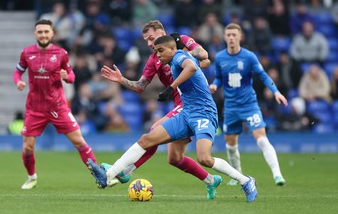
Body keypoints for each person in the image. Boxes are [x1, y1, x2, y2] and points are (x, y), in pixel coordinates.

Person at [89, 35, 258, 202]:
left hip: (203, 113)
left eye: (161, 50)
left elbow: (191, 67)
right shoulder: (171, 61)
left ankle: (246, 181)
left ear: (172, 48)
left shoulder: (179, 56)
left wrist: (170, 88)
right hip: (186, 113)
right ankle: (109, 175)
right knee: (147, 139)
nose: (158, 54)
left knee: (205, 158)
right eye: (156, 51)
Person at [100, 20, 212, 189]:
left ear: (162, 32)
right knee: (174, 159)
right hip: (178, 103)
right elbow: (140, 86)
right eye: (146, 40)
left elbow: (204, 56)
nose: (149, 43)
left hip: (191, 101)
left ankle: (125, 172)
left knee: (154, 131)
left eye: (151, 38)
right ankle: (211, 181)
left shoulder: (181, 40)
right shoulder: (154, 60)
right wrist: (121, 80)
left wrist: (184, 54)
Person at [12, 19, 97, 190]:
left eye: (46, 32)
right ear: (35, 34)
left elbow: (72, 77)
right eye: (40, 32)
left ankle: (100, 175)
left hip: (58, 106)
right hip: (35, 108)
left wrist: (67, 77)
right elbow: (17, 71)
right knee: (28, 148)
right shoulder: (27, 53)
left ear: (52, 34)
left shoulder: (61, 54)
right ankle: (31, 177)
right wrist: (18, 82)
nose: (43, 35)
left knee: (79, 142)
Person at [209, 23, 288, 187]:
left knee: (261, 139)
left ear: (240, 37)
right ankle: (237, 175)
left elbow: (263, 75)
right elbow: (218, 77)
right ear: (225, 37)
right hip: (230, 107)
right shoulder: (220, 58)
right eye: (228, 35)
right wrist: (215, 85)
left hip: (249, 105)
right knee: (230, 144)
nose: (231, 38)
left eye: (234, 35)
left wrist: (276, 92)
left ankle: (277, 174)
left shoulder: (249, 56)